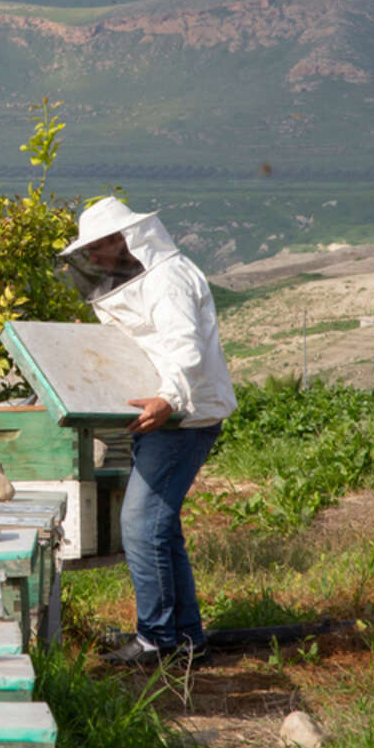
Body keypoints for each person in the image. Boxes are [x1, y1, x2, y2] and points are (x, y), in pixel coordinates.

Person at [60, 196, 236, 666]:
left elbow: (185, 347)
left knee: (140, 526)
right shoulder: (142, 280)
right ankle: (187, 637)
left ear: (122, 240)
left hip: (183, 418)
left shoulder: (167, 279)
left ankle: (156, 638)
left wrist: (170, 398)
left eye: (96, 248)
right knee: (161, 529)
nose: (92, 259)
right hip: (165, 416)